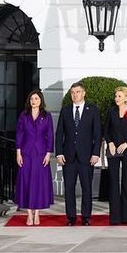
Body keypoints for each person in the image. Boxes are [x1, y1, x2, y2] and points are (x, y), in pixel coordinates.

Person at [55, 82, 102, 226]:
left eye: (78, 92)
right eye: (73, 92)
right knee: (69, 188)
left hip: (87, 156)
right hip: (68, 156)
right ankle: (71, 217)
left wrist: (96, 153)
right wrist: (59, 153)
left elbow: (97, 134)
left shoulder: (92, 110)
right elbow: (59, 133)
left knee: (86, 187)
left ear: (84, 93)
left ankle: (86, 217)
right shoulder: (66, 110)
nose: (75, 95)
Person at [15, 89, 55, 225]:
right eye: (32, 99)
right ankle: (28, 214)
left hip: (41, 153)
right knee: (26, 182)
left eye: (36, 99)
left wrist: (49, 153)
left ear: (41, 101)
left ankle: (37, 213)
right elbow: (19, 134)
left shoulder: (47, 116)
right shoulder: (24, 115)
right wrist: (18, 153)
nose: (34, 101)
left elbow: (50, 135)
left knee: (38, 184)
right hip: (26, 153)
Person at [104, 86, 127, 225]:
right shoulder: (111, 111)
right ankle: (115, 217)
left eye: (119, 96)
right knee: (113, 182)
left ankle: (126, 216)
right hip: (113, 151)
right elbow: (106, 130)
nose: (116, 98)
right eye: (116, 96)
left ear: (126, 98)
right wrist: (110, 143)